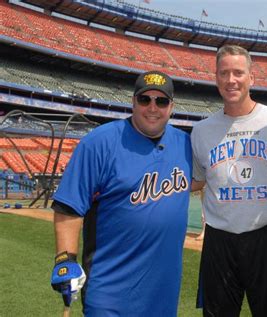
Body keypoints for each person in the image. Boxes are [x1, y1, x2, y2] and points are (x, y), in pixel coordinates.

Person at [50, 70, 192, 316]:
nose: (152, 108)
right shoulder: (99, 142)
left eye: (161, 101)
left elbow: (198, 180)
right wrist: (65, 261)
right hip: (109, 294)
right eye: (144, 99)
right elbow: (68, 207)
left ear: (172, 107)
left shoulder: (185, 144)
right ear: (133, 101)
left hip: (163, 297)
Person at [191, 44, 267, 317]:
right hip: (219, 240)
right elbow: (196, 181)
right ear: (216, 78)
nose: (231, 80)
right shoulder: (200, 131)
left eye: (238, 72)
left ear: (252, 77)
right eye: (224, 73)